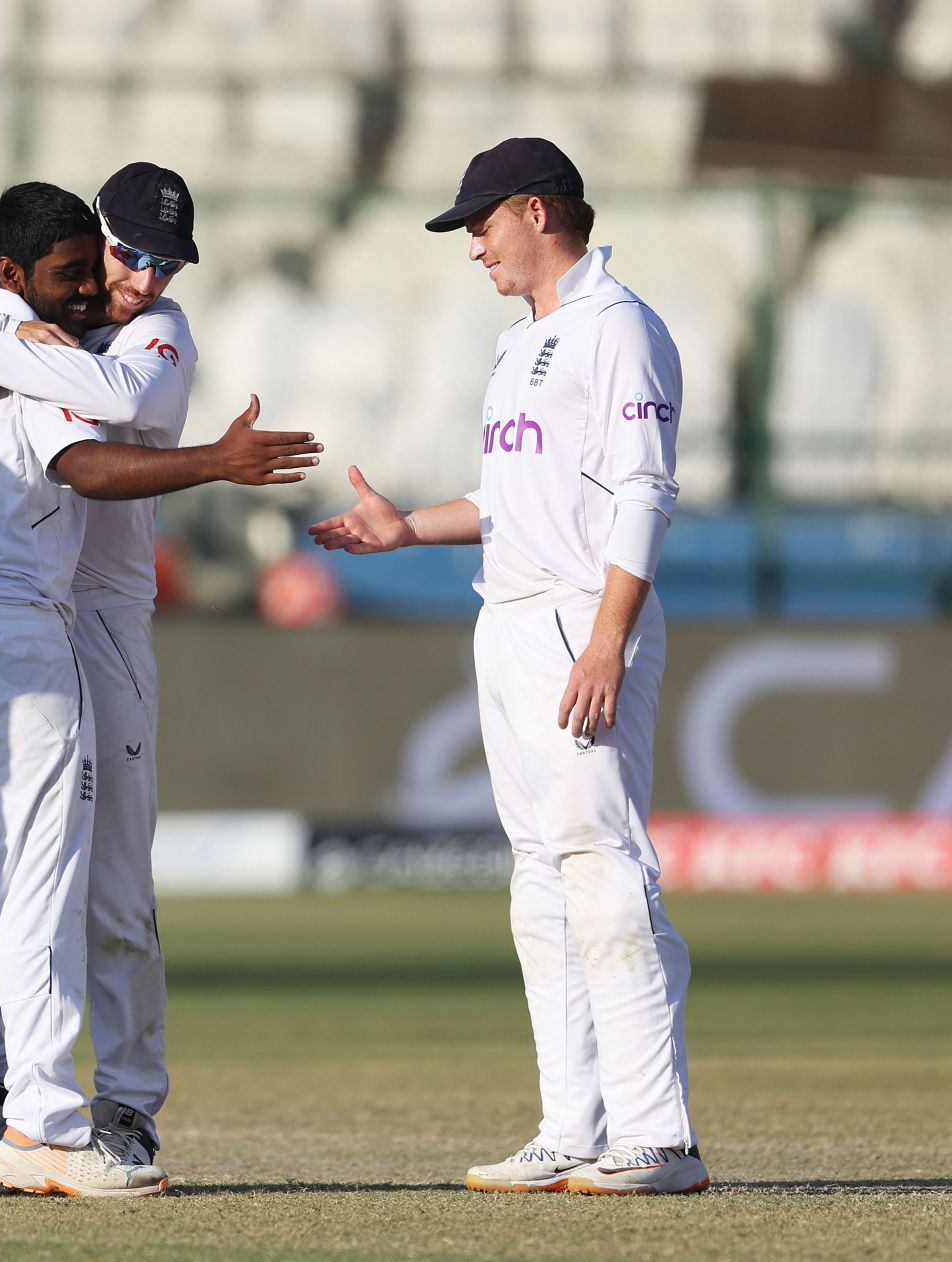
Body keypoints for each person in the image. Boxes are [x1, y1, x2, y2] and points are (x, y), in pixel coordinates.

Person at [0, 180, 318, 1198]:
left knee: (93, 886)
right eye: (121, 257)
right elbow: (72, 450)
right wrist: (5, 333)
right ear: (70, 249)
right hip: (27, 626)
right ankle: (15, 1112)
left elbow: (143, 400)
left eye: (166, 262)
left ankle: (117, 1104)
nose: (140, 280)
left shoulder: (133, 326)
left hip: (83, 620)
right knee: (24, 889)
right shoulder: (33, 316)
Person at [308, 137, 706, 1196]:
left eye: (482, 222)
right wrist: (406, 530)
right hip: (512, 617)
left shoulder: (620, 328)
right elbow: (506, 504)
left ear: (537, 212)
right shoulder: (519, 341)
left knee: (601, 862)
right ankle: (572, 1124)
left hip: (584, 615)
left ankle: (658, 1134)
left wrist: (610, 636)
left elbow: (643, 490)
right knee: (540, 876)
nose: (472, 243)